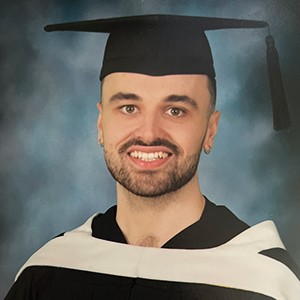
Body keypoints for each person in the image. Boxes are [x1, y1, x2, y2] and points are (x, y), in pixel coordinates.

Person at [5, 15, 300, 299]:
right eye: (129, 108)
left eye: (176, 110)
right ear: (100, 126)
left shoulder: (263, 282)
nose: (148, 133)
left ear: (210, 130)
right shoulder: (49, 271)